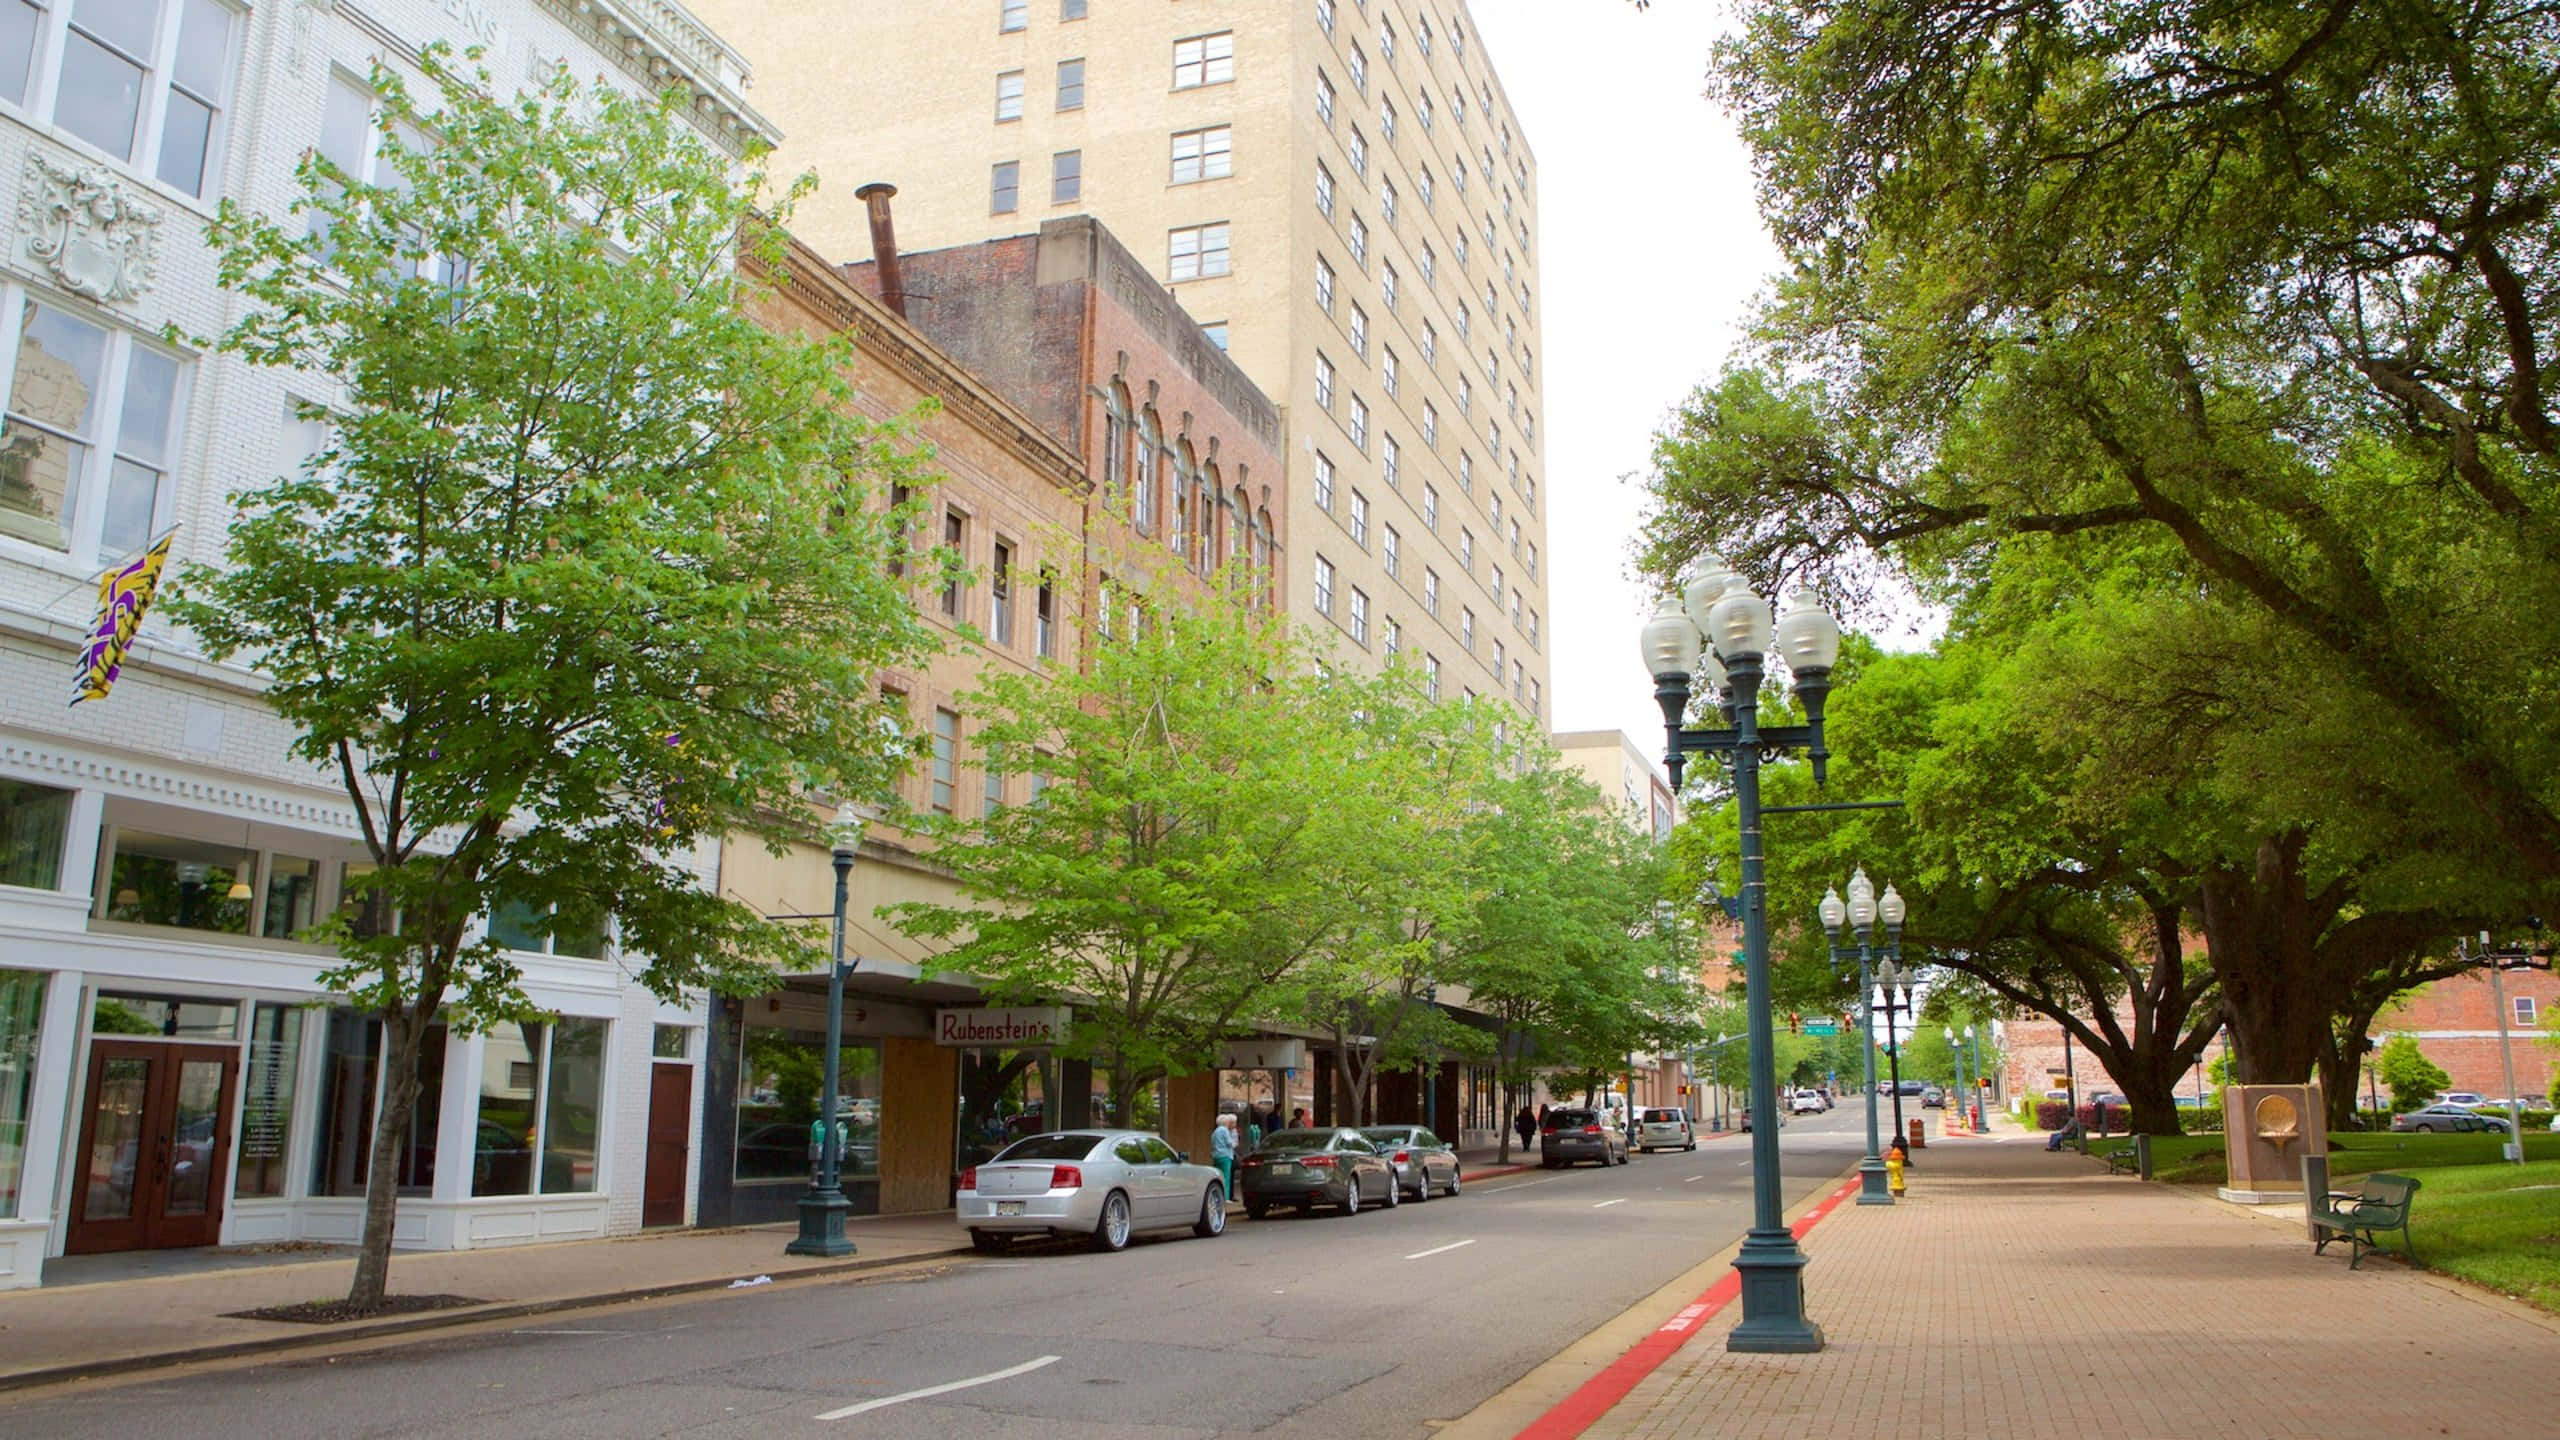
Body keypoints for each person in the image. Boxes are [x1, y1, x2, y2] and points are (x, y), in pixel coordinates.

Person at [1210, 1113, 1237, 1195]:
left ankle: (1216, 1195)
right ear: (1225, 1122)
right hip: (1225, 1156)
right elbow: (1229, 1143)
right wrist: (1234, 1144)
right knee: (1226, 1178)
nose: (1229, 1123)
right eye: (1228, 1122)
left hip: (1216, 1156)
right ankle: (1225, 1197)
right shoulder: (1224, 1130)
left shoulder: (1215, 1131)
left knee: (1217, 1177)